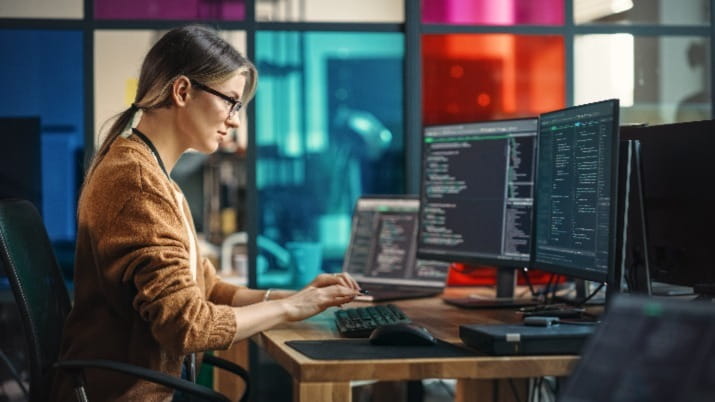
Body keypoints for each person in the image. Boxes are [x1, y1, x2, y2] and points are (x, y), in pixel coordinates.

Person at [51, 25, 360, 401]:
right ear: (182, 91)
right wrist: (292, 308)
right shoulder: (137, 182)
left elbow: (209, 289)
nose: (235, 120)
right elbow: (189, 327)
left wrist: (294, 296)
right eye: (231, 101)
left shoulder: (151, 173)